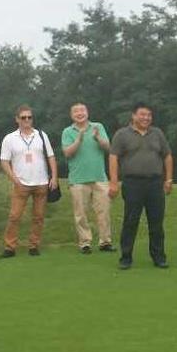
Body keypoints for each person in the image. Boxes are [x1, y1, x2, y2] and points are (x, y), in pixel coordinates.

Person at [108, 102, 173, 270]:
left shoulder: (157, 133)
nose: (146, 118)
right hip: (132, 183)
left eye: (149, 115)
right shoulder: (122, 134)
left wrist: (169, 179)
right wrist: (114, 182)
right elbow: (113, 157)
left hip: (155, 183)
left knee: (156, 223)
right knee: (131, 221)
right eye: (142, 114)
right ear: (133, 116)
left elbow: (167, 156)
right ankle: (126, 257)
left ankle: (159, 257)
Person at [0, 105, 58, 258]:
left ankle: (34, 245)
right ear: (17, 119)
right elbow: (4, 161)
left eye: (29, 117)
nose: (26, 120)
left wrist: (55, 177)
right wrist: (14, 179)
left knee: (38, 217)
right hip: (21, 183)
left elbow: (51, 156)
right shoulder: (10, 138)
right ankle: (10, 247)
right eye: (23, 117)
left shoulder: (41, 135)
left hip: (41, 182)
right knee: (14, 216)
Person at [61, 102, 115, 254]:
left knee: (103, 211)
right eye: (76, 111)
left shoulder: (98, 127)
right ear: (72, 115)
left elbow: (109, 147)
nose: (80, 113)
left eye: (82, 110)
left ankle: (105, 242)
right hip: (78, 179)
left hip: (99, 177)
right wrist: (78, 139)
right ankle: (85, 243)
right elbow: (67, 153)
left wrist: (98, 138)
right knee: (81, 214)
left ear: (87, 112)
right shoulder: (67, 131)